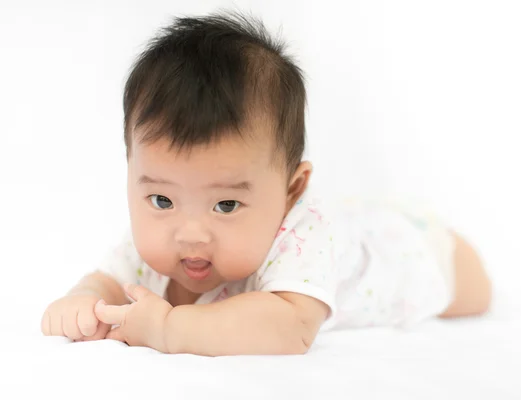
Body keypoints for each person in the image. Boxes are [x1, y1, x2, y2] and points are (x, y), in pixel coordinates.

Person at [40, 11, 492, 356]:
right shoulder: (156, 238)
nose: (190, 232)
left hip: (411, 250)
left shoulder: (304, 236)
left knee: (474, 292)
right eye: (161, 198)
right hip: (351, 225)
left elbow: (288, 329)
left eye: (226, 205)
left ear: (292, 190)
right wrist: (86, 300)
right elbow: (111, 280)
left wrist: (167, 329)